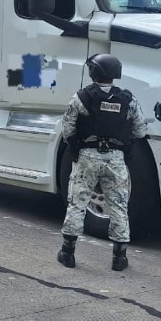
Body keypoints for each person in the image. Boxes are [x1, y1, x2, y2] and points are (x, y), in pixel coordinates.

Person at [57, 53, 147, 271]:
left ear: (93, 72)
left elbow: (67, 128)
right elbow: (141, 131)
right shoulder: (128, 99)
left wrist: (76, 145)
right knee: (118, 205)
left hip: (87, 156)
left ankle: (68, 253)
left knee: (77, 202)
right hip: (116, 159)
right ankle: (119, 258)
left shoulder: (81, 97)